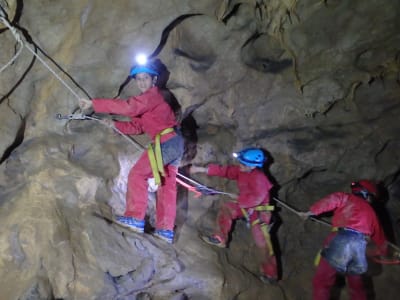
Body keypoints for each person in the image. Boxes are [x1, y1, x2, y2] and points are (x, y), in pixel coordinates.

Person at [79, 59, 184, 244]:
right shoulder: (150, 104)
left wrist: (94, 104)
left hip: (167, 142)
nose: (142, 82)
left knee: (137, 174)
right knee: (167, 186)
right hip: (175, 143)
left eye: (146, 78)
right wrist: (115, 124)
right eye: (139, 79)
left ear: (154, 80)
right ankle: (165, 231)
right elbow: (137, 127)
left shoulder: (153, 96)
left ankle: (135, 218)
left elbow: (130, 107)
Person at [191, 147, 278, 283]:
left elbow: (256, 198)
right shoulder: (242, 170)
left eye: (243, 164)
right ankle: (220, 238)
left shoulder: (259, 177)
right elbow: (226, 171)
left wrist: (239, 198)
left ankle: (270, 274)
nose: (240, 165)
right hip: (245, 207)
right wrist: (201, 169)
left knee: (262, 245)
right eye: (241, 162)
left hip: (260, 212)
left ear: (252, 167)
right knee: (227, 208)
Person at [298, 180, 388, 300]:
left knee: (323, 282)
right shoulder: (372, 214)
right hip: (358, 246)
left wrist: (311, 212)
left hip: (339, 239)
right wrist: (382, 252)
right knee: (356, 286)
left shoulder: (346, 198)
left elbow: (331, 200)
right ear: (367, 195)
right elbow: (379, 238)